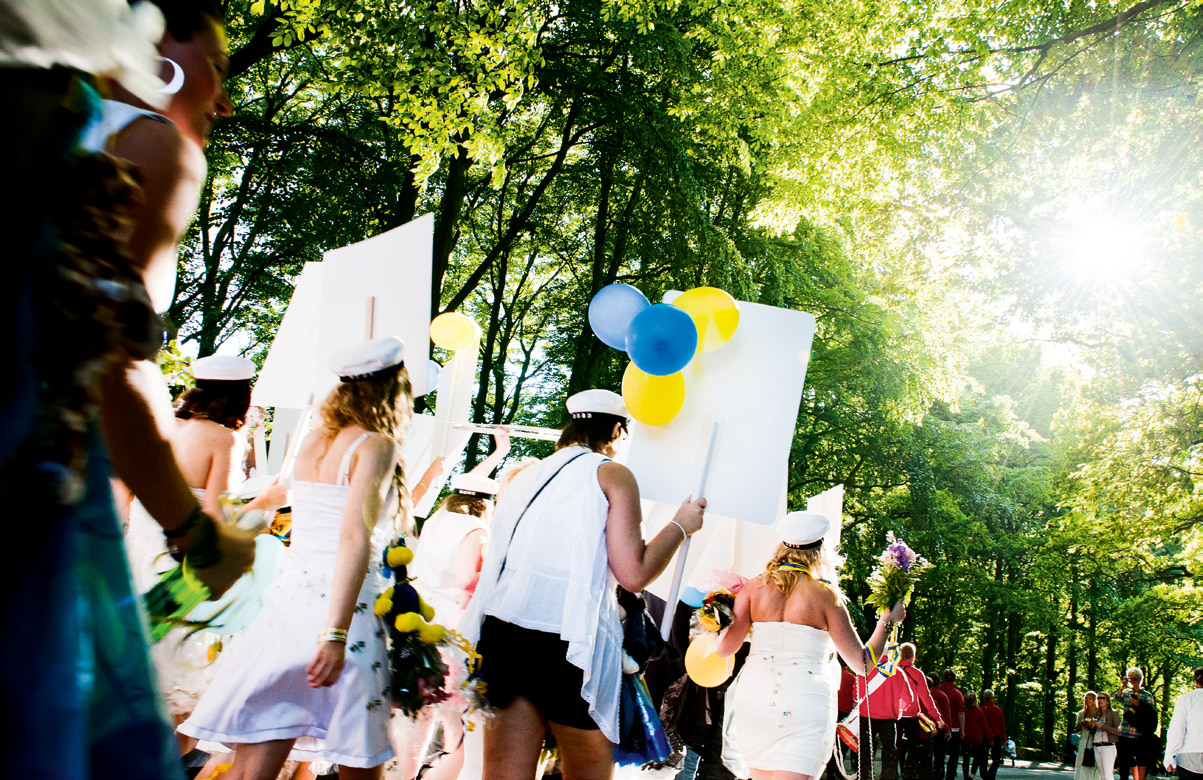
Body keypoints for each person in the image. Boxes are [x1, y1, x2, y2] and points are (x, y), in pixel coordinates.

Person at [2, 3, 253, 777]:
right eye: (214, 63)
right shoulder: (152, 147)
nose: (225, 95)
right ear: (160, 49)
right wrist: (198, 535)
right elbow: (105, 362)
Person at [180, 336, 413, 779]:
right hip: (343, 608)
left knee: (258, 754)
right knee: (360, 755)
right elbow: (352, 537)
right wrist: (336, 633)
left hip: (287, 607)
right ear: (392, 389)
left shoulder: (314, 441)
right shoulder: (375, 444)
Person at [460, 388, 707, 780]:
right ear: (615, 430)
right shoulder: (611, 473)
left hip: (504, 632)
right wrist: (680, 524)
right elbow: (634, 572)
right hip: (564, 643)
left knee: (504, 774)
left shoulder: (528, 474)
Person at [716, 510, 908, 780]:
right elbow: (862, 665)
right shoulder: (826, 596)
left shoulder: (752, 589)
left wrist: (716, 619)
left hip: (755, 697)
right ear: (821, 549)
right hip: (804, 699)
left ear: (782, 547)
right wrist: (886, 621)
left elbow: (725, 650)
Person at [401, 444, 508, 780]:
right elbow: (466, 580)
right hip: (452, 631)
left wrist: (497, 452)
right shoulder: (476, 531)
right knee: (454, 717)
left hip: (419, 624)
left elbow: (470, 482)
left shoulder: (437, 519)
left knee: (418, 713)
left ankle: (404, 774)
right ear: (485, 504)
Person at [895, 645, 944, 780]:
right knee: (913, 751)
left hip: (895, 717)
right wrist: (937, 718)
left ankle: (894, 772)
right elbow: (926, 698)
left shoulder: (893, 671)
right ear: (913, 657)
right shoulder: (917, 674)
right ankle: (908, 775)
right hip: (911, 718)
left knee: (895, 749)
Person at [1115, 668, 1158, 780]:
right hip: (1124, 732)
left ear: (1140, 679)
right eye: (1131, 678)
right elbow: (1117, 697)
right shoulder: (1126, 692)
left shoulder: (1146, 695)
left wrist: (1139, 704)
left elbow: (1151, 713)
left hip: (1139, 733)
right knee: (1124, 761)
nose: (1133, 680)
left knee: (1141, 760)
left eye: (1136, 678)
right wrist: (1122, 685)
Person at [1164, 667, 1203, 780]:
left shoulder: (1185, 699)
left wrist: (1169, 757)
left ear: (1195, 682)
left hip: (1189, 757)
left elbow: (1177, 730)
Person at [935, 670, 967, 780]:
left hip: (940, 726)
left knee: (939, 753)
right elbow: (961, 713)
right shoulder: (958, 694)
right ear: (954, 679)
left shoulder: (938, 689)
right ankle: (950, 775)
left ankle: (938, 774)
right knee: (953, 754)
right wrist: (962, 730)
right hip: (955, 728)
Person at [961, 693, 992, 780]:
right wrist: (990, 738)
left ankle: (965, 776)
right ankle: (972, 774)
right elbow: (984, 725)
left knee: (965, 759)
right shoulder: (978, 711)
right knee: (977, 757)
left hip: (965, 738)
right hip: (976, 738)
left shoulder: (963, 711)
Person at [1092, 692, 1122, 780]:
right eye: (1098, 698)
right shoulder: (1096, 715)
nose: (1100, 700)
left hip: (1108, 746)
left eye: (1103, 698)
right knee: (1102, 776)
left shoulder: (1113, 713)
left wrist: (1103, 726)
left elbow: (1119, 732)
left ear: (1108, 701)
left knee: (1108, 775)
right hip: (1096, 746)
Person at [1074, 692, 1102, 780]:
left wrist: (1091, 726)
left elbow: (1100, 730)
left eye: (1090, 698)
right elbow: (1077, 730)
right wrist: (1080, 724)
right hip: (1083, 740)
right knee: (1080, 763)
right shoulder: (1081, 713)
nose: (1087, 700)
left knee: (1091, 763)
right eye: (1086, 698)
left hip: (1093, 741)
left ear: (1094, 700)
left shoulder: (1098, 713)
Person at [981, 690, 1006, 780]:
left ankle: (984, 775)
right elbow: (1002, 726)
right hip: (996, 736)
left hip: (984, 737)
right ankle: (991, 775)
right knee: (996, 759)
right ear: (993, 697)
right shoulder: (998, 710)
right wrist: (1004, 739)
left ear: (984, 697)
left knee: (983, 758)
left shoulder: (982, 709)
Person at [931, 676, 952, 780]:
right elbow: (946, 714)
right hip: (939, 729)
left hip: (924, 728)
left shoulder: (922, 694)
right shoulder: (942, 696)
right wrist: (948, 729)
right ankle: (938, 776)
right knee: (939, 756)